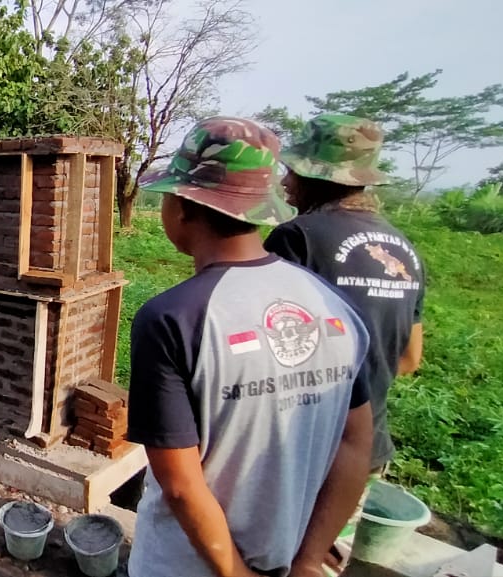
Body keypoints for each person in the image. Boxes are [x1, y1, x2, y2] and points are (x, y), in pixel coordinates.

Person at [125, 117, 375, 577]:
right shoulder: (332, 307)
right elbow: (357, 440)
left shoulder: (174, 318)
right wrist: (308, 560)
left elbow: (180, 484)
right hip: (288, 555)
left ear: (183, 206)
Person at [264, 113, 427, 569]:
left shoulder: (298, 238)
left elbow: (267, 350)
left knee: (263, 556)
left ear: (318, 177)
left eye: (294, 171)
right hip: (365, 451)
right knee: (317, 560)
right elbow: (411, 357)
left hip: (301, 445)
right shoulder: (403, 248)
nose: (286, 181)